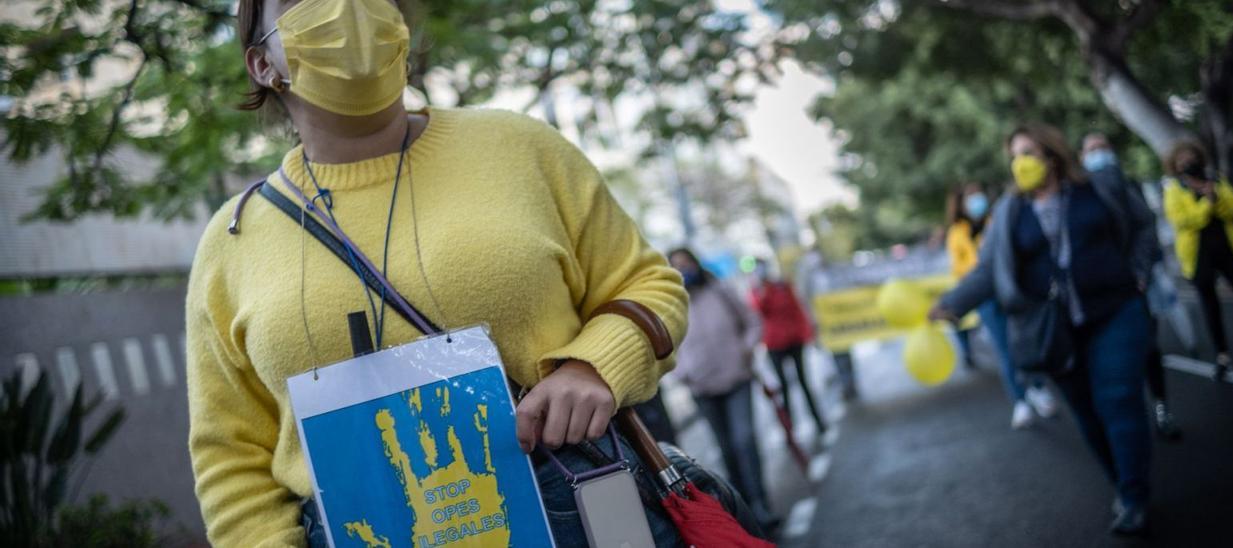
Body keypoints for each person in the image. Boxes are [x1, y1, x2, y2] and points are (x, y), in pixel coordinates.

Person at [186, 1, 689, 545]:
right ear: (262, 64)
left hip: (576, 503)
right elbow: (229, 452)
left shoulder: (519, 147)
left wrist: (594, 368)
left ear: (400, 27)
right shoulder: (233, 240)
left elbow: (649, 285)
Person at [931, 124, 1157, 536]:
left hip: (1115, 311)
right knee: (1088, 415)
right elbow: (988, 271)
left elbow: (1143, 225)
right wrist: (952, 303)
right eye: (1015, 155)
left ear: (1052, 155)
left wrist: (1140, 271)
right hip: (1054, 330)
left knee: (1118, 399)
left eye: (1029, 152)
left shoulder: (1099, 188)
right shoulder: (1010, 213)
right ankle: (1122, 487)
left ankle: (1135, 495)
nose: (1022, 163)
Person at [667, 248, 778, 530]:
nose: (683, 270)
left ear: (696, 263)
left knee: (745, 441)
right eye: (676, 266)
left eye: (686, 263)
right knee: (726, 449)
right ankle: (740, 508)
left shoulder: (720, 291)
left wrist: (746, 349)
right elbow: (664, 347)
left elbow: (752, 322)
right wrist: (684, 374)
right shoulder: (670, 304)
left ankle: (760, 504)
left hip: (737, 379)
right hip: (702, 388)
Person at [1082, 133, 1182, 440]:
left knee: (1149, 350)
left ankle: (1161, 409)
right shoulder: (1077, 193)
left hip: (1133, 287)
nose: (1098, 154)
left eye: (1102, 147)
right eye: (1091, 149)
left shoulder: (1127, 185)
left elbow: (1145, 227)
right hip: (1099, 294)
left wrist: (1139, 271)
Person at [1162, 140, 1233, 377]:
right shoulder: (1174, 190)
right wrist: (1207, 203)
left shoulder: (1215, 180)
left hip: (1227, 250)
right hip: (1198, 257)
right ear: (1175, 166)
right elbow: (1183, 220)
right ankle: (1223, 355)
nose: (1188, 163)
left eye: (1191, 158)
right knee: (1210, 306)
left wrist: (1214, 195)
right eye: (1182, 161)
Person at [945, 183, 1056, 429]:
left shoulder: (999, 218)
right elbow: (959, 268)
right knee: (1005, 349)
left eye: (978, 194)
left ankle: (1038, 388)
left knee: (1027, 340)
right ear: (960, 204)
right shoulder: (957, 233)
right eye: (970, 197)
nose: (976, 200)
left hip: (1011, 289)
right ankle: (1021, 401)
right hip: (986, 296)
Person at [750, 259, 828, 436]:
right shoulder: (757, 291)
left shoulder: (783, 286)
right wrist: (763, 289)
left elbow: (797, 310)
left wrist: (806, 333)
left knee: (804, 382)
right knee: (783, 386)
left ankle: (818, 421)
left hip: (794, 340)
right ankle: (790, 429)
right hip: (774, 344)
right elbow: (758, 309)